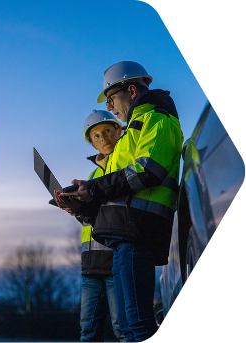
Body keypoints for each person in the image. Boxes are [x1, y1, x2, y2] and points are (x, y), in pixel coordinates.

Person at [56, 61, 184, 342]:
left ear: (132, 90)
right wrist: (82, 204)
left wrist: (94, 188)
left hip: (138, 234)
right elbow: (119, 191)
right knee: (127, 326)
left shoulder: (158, 120)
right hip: (124, 237)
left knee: (137, 324)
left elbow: (148, 170)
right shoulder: (131, 134)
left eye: (112, 99)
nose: (111, 108)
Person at [56, 110, 125, 343]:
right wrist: (74, 209)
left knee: (124, 329)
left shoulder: (125, 164)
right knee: (88, 332)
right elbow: (93, 218)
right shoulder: (93, 175)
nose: (103, 138)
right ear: (92, 143)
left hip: (118, 261)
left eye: (107, 131)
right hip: (91, 265)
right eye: (96, 136)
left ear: (119, 131)